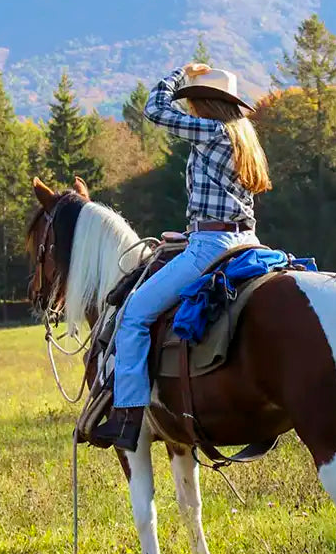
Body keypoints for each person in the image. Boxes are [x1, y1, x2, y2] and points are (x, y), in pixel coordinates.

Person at [91, 63, 272, 452]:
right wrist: (190, 231)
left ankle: (127, 416)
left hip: (212, 246)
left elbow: (154, 109)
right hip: (245, 240)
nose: (188, 109)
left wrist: (178, 74)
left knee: (135, 314)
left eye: (192, 101)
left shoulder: (211, 131)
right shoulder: (244, 136)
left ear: (205, 104)